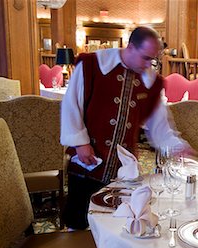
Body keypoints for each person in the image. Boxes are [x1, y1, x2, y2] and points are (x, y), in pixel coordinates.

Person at [60, 27, 188, 229]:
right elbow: (70, 105)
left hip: (124, 167)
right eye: (145, 58)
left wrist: (177, 146)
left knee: (117, 219)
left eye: (152, 60)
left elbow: (159, 125)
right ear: (130, 47)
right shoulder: (92, 65)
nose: (149, 65)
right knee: (79, 216)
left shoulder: (151, 82)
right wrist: (80, 142)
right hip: (89, 160)